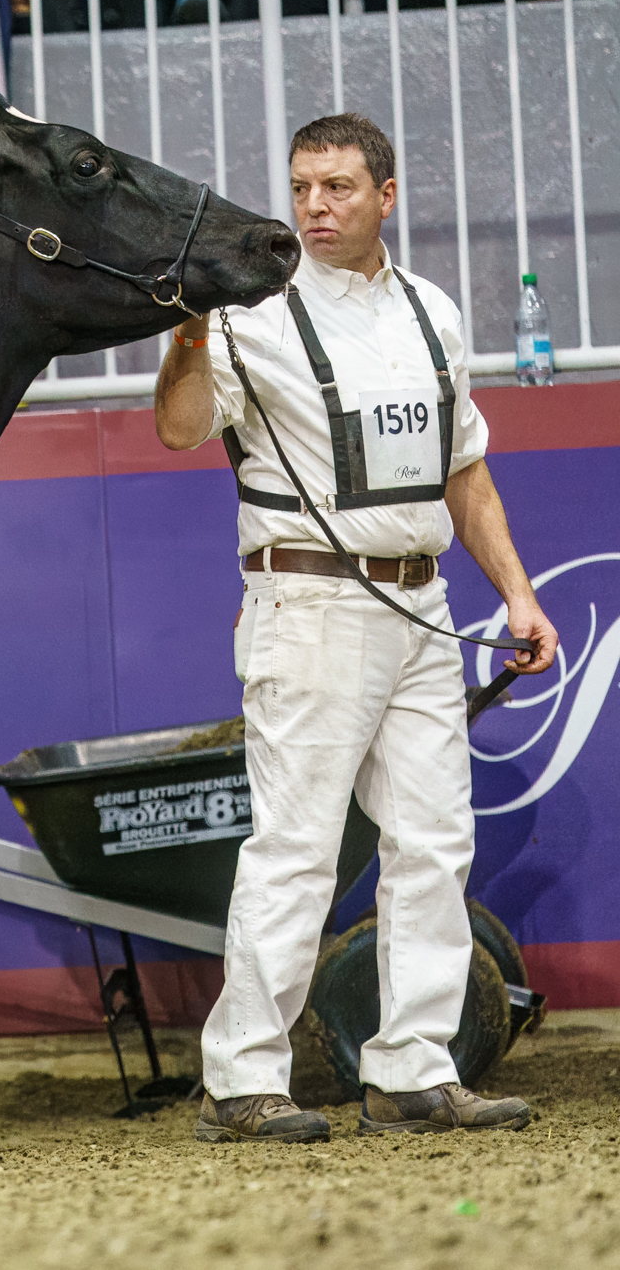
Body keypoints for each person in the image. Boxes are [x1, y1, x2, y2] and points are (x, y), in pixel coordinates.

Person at [155, 113, 559, 1142]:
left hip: (423, 603)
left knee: (434, 838)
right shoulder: (251, 314)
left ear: (385, 195)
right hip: (310, 604)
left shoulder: (432, 311)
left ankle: (412, 1068)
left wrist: (515, 593)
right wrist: (189, 328)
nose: (313, 207)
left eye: (336, 187)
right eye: (300, 187)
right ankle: (240, 1078)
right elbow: (178, 428)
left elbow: (462, 469)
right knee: (295, 847)